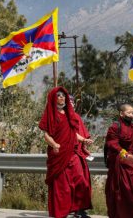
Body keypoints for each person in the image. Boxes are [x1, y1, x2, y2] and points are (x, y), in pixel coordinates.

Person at [38, 87, 85, 218]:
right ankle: (59, 213)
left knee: (76, 181)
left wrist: (84, 139)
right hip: (58, 155)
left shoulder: (69, 114)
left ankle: (75, 209)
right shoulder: (51, 114)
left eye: (63, 95)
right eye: (58, 95)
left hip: (70, 154)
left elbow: (73, 133)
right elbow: (46, 135)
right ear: (53, 98)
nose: (62, 97)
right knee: (61, 186)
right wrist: (54, 144)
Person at [105, 104, 133, 218]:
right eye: (129, 113)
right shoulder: (115, 127)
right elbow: (112, 143)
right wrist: (124, 154)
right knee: (121, 191)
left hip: (130, 160)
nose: (131, 115)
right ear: (121, 113)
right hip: (119, 160)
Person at [69, 95, 93, 217]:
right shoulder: (61, 117)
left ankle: (80, 209)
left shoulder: (76, 116)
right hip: (67, 154)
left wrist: (84, 144)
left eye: (73, 102)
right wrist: (83, 140)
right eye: (69, 102)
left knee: (84, 181)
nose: (72, 104)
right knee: (78, 181)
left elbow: (82, 132)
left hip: (78, 153)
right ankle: (74, 209)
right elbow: (71, 134)